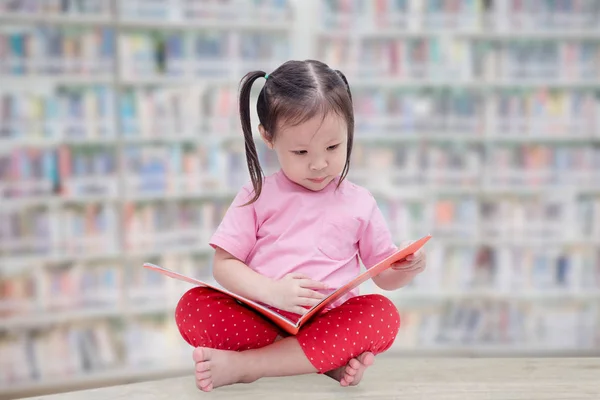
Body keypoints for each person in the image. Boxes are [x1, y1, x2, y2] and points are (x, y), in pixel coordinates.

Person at [175, 60, 427, 392]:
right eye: (300, 151)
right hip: (265, 320)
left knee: (382, 316)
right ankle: (321, 361)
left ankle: (248, 366)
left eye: (333, 147)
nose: (319, 163)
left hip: (328, 322)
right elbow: (223, 265)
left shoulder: (360, 202)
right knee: (192, 307)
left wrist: (405, 269)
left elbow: (383, 275)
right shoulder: (256, 194)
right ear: (268, 137)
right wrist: (272, 292)